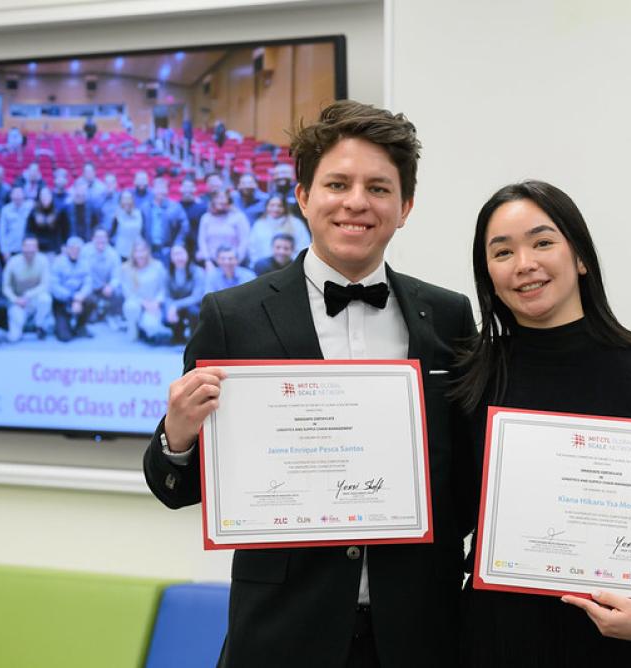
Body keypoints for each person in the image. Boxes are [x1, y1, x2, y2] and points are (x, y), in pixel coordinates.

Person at [142, 100, 475, 667]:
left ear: (405, 206)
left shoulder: (448, 316)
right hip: (282, 635)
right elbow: (178, 487)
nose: (356, 203)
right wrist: (178, 434)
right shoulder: (233, 316)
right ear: (302, 196)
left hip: (420, 632)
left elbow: (467, 470)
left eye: (378, 187)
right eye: (337, 183)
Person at [452, 180, 631, 667]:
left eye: (542, 242)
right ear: (488, 272)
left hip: (610, 640)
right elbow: (455, 509)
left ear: (581, 257)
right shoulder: (472, 376)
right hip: (496, 635)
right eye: (502, 252)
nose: (524, 263)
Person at [2, 235, 51, 342]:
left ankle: (39, 325)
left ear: (37, 248)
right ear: (22, 247)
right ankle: (20, 325)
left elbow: (45, 285)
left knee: (45, 299)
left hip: (34, 298)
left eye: (33, 246)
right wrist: (15, 299)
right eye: (27, 246)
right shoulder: (13, 262)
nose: (30, 249)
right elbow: (6, 287)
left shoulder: (43, 260)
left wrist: (28, 295)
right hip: (17, 301)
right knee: (14, 338)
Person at [121, 238, 169, 343]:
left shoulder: (158, 266)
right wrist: (143, 303)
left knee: (151, 327)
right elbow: (127, 292)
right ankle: (133, 327)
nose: (140, 254)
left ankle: (145, 328)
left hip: (154, 304)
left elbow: (164, 288)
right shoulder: (126, 268)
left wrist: (157, 302)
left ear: (148, 251)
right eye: (137, 251)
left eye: (143, 251)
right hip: (136, 303)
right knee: (130, 307)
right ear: (132, 253)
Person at [50, 236, 95, 341]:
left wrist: (81, 296)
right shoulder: (58, 262)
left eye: (77, 249)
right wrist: (72, 297)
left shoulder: (85, 263)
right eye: (72, 248)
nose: (75, 251)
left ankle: (80, 326)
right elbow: (54, 286)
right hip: (62, 301)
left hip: (79, 298)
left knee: (91, 300)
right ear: (66, 249)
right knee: (65, 337)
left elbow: (88, 283)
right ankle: (64, 325)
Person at [247, 193, 310, 264]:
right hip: (264, 267)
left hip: (289, 265)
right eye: (272, 205)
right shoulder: (259, 224)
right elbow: (252, 248)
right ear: (267, 207)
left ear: (285, 208)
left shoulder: (296, 223)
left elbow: (304, 245)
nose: (275, 209)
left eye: (279, 206)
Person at [196, 189, 250, 269]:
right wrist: (207, 260)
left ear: (229, 201)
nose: (221, 200)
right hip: (211, 260)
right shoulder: (206, 218)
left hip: (233, 260)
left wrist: (237, 261)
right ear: (213, 201)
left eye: (224, 198)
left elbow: (244, 241)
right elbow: (202, 241)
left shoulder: (238, 217)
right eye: (218, 198)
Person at [141, 176, 190, 264]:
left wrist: (177, 243)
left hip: (167, 250)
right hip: (149, 250)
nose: (160, 191)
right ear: (153, 189)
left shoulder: (175, 207)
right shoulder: (145, 207)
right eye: (158, 188)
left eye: (163, 188)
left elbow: (185, 227)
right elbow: (140, 228)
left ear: (167, 190)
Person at [163, 243, 205, 343]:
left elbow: (197, 297)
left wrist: (175, 305)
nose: (178, 257)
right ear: (171, 257)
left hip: (193, 306)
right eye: (175, 254)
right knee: (164, 313)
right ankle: (178, 336)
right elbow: (166, 295)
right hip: (175, 306)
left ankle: (194, 339)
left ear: (187, 254)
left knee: (193, 311)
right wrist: (170, 307)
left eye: (181, 253)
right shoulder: (168, 273)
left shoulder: (197, 271)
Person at [81, 228, 123, 324]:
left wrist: (111, 286)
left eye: (103, 237)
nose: (101, 240)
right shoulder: (84, 251)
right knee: (91, 319)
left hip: (105, 287)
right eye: (98, 237)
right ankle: (93, 311)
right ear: (92, 239)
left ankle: (113, 315)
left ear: (107, 239)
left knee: (119, 291)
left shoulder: (114, 254)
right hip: (89, 286)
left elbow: (117, 276)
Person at [0, 185, 34, 263]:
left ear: (24, 195)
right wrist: (4, 250)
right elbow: (2, 232)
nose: (17, 196)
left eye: (20, 193)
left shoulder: (31, 207)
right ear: (11, 196)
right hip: (11, 249)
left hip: (28, 249)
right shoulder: (5, 210)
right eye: (15, 193)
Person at [26, 186, 67, 255]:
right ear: (39, 197)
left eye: (47, 195)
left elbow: (64, 230)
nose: (45, 198)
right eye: (43, 196)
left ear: (51, 197)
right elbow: (29, 230)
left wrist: (63, 245)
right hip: (38, 248)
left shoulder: (59, 211)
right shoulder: (33, 212)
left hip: (54, 247)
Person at [107, 189, 144, 261]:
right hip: (121, 252)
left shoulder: (140, 213)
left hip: (137, 251)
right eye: (124, 198)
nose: (127, 201)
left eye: (129, 198)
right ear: (120, 200)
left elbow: (143, 232)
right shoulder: (117, 215)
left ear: (133, 200)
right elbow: (111, 233)